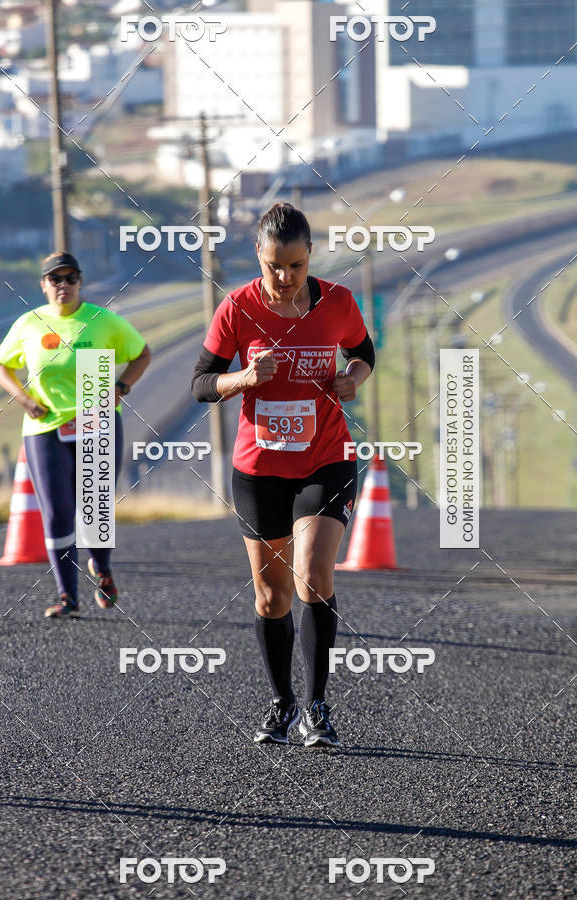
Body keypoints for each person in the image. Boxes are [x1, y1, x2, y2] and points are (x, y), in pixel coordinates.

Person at [191, 203, 375, 747]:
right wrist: (242, 379)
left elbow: (364, 354)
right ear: (258, 257)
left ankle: (317, 707)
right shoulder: (237, 307)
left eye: (295, 266)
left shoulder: (338, 302)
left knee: (313, 574)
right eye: (274, 266)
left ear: (310, 256)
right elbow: (201, 382)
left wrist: (353, 378)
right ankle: (282, 703)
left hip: (325, 458)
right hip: (259, 468)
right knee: (272, 599)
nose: (285, 278)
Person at [0, 251, 151, 618]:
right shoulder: (29, 324)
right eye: (55, 279)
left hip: (96, 419)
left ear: (81, 282)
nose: (63, 285)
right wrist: (24, 400)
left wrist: (121, 387)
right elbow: (0, 363)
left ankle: (102, 569)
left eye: (71, 278)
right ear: (44, 285)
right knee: (58, 511)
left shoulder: (102, 320)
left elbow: (142, 353)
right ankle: (68, 596)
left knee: (94, 510)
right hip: (45, 426)